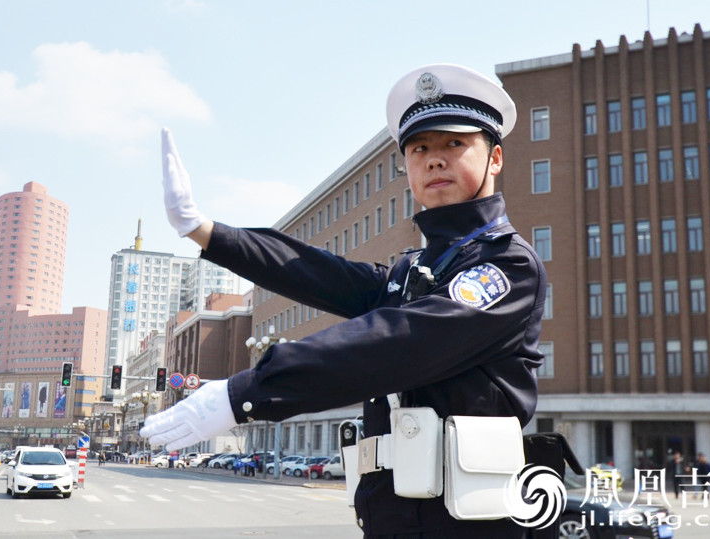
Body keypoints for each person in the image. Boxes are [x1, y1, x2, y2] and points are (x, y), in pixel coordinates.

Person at [142, 63, 546, 537]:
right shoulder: (414, 268)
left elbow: (400, 341)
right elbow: (314, 271)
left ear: (494, 158)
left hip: (470, 523)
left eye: (454, 143)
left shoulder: (505, 266)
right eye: (419, 148)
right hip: (392, 519)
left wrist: (245, 394)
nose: (434, 160)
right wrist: (205, 231)